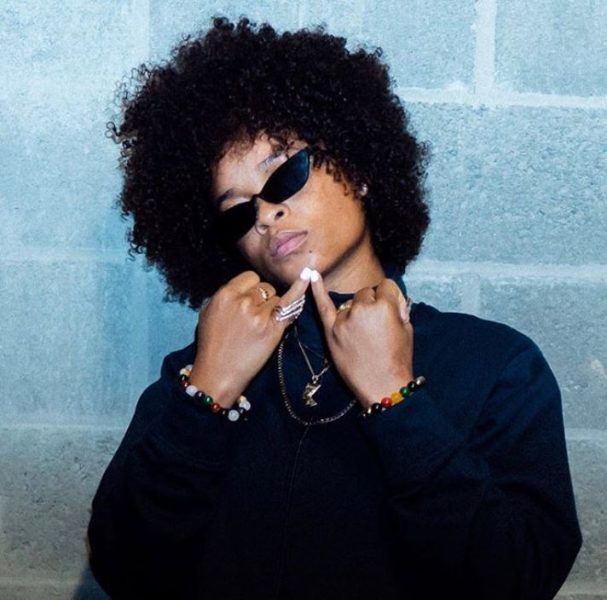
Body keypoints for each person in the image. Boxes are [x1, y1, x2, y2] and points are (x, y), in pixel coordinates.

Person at [87, 16, 582, 600]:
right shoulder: (201, 370)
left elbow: (520, 579)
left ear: (359, 168)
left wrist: (396, 401)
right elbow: (124, 569)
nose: (265, 214)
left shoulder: (495, 365)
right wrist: (208, 394)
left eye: (283, 174)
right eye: (237, 211)